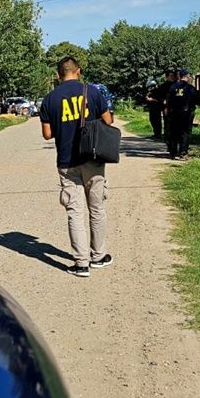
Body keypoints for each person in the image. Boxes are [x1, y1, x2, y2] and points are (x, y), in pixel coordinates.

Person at [40, 56, 113, 277]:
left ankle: (81, 264)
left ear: (58, 74)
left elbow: (47, 134)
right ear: (78, 71)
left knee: (75, 211)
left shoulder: (49, 99)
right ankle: (98, 256)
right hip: (92, 158)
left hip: (66, 162)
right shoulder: (93, 92)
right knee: (97, 208)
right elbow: (108, 121)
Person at [165, 69, 197, 160]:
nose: (190, 77)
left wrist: (168, 109)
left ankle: (173, 152)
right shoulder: (190, 88)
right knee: (185, 132)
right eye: (189, 76)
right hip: (186, 113)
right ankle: (183, 152)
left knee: (174, 132)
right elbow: (195, 100)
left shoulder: (173, 87)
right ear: (186, 76)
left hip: (174, 112)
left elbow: (169, 99)